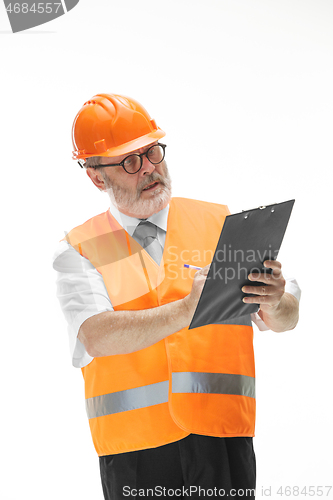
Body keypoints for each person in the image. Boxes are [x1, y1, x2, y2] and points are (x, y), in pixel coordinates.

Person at [53, 93, 300, 500]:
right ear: (97, 177)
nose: (149, 169)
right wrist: (188, 309)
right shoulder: (78, 250)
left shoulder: (220, 223)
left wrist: (275, 299)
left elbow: (287, 317)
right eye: (131, 162)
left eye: (153, 152)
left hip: (223, 439)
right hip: (136, 453)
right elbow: (96, 335)